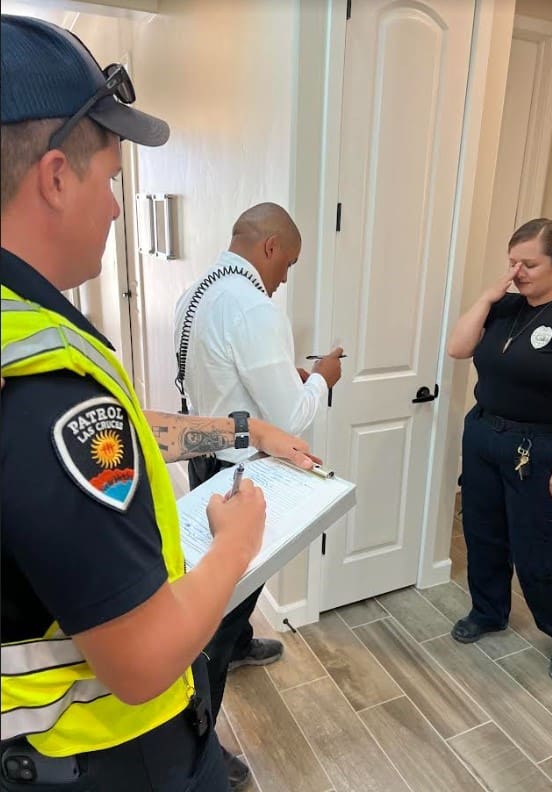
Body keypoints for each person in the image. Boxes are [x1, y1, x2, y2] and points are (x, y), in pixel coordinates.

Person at [0, 15, 316, 791]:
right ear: (54, 177)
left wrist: (248, 429)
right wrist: (238, 540)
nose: (116, 209)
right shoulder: (51, 390)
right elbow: (140, 661)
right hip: (105, 755)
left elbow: (133, 432)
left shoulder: (25, 333)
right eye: (110, 180)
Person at [174, 202, 343, 788]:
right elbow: (292, 417)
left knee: (232, 589)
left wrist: (283, 379)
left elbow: (229, 380)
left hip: (204, 458)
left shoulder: (196, 291)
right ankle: (201, 744)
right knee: (223, 600)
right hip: (243, 472)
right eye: (289, 262)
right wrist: (321, 376)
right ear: (269, 247)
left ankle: (241, 642)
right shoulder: (254, 307)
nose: (287, 276)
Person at [448, 218, 552, 684]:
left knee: (540, 548)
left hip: (539, 447)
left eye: (529, 264)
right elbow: (458, 348)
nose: (518, 272)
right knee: (483, 533)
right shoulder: (504, 307)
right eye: (512, 262)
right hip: (483, 436)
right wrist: (487, 297)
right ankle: (489, 611)